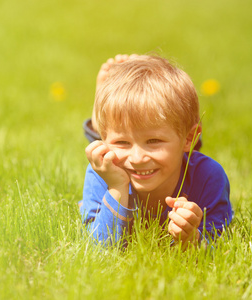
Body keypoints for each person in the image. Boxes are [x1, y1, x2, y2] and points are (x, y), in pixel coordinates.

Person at [79, 54, 233, 247]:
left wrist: (193, 239)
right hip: (133, 150)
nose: (137, 158)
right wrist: (116, 188)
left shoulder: (209, 177)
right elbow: (100, 249)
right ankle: (101, 122)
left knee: (172, 143)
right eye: (122, 142)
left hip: (184, 150)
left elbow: (219, 245)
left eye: (153, 141)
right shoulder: (101, 174)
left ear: (189, 138)